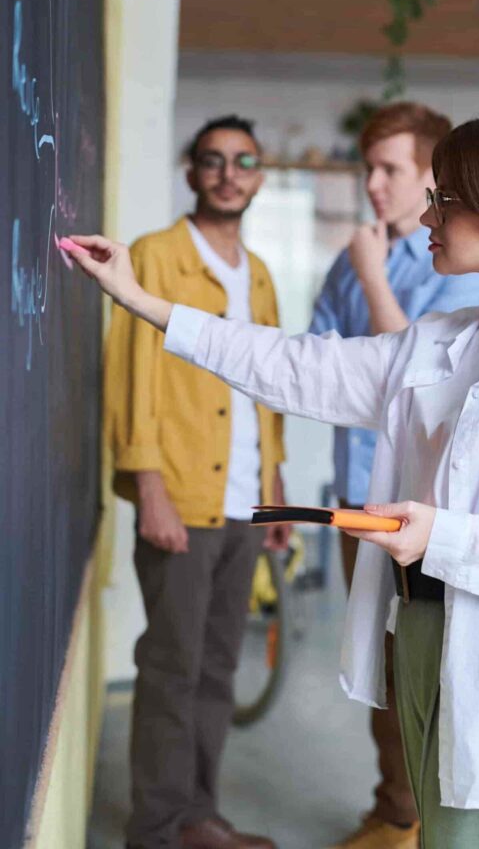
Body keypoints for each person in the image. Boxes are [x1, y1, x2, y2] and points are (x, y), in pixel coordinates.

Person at [69, 109, 479, 849]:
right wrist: (145, 302)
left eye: (444, 199)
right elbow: (294, 365)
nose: (425, 213)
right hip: (424, 639)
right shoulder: (443, 344)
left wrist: (444, 537)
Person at [104, 115, 287, 849]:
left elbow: (268, 386)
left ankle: (196, 819)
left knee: (217, 668)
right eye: (213, 161)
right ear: (192, 173)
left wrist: (273, 490)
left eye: (243, 161)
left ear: (259, 175)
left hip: (244, 502)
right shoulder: (153, 256)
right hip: (180, 496)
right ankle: (153, 829)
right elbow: (131, 378)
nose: (228, 174)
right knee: (171, 669)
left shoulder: (262, 273)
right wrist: (148, 486)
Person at [309, 102, 479, 849]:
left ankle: (419, 819)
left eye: (391, 169)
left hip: (425, 508)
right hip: (356, 492)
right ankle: (395, 813)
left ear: (429, 177)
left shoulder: (452, 265)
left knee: (428, 664)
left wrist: (371, 274)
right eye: (369, 167)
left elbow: (410, 381)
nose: (374, 183)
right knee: (375, 661)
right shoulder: (352, 255)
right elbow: (320, 366)